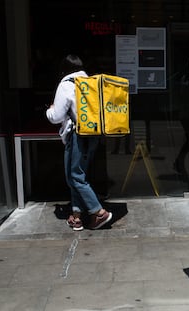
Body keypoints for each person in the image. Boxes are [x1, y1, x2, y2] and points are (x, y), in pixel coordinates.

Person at [46, 54, 112, 231]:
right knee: (76, 176)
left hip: (77, 136)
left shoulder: (66, 84)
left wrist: (50, 110)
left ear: (64, 69)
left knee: (75, 177)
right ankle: (76, 217)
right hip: (92, 135)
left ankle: (98, 212)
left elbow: (57, 116)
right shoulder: (90, 82)